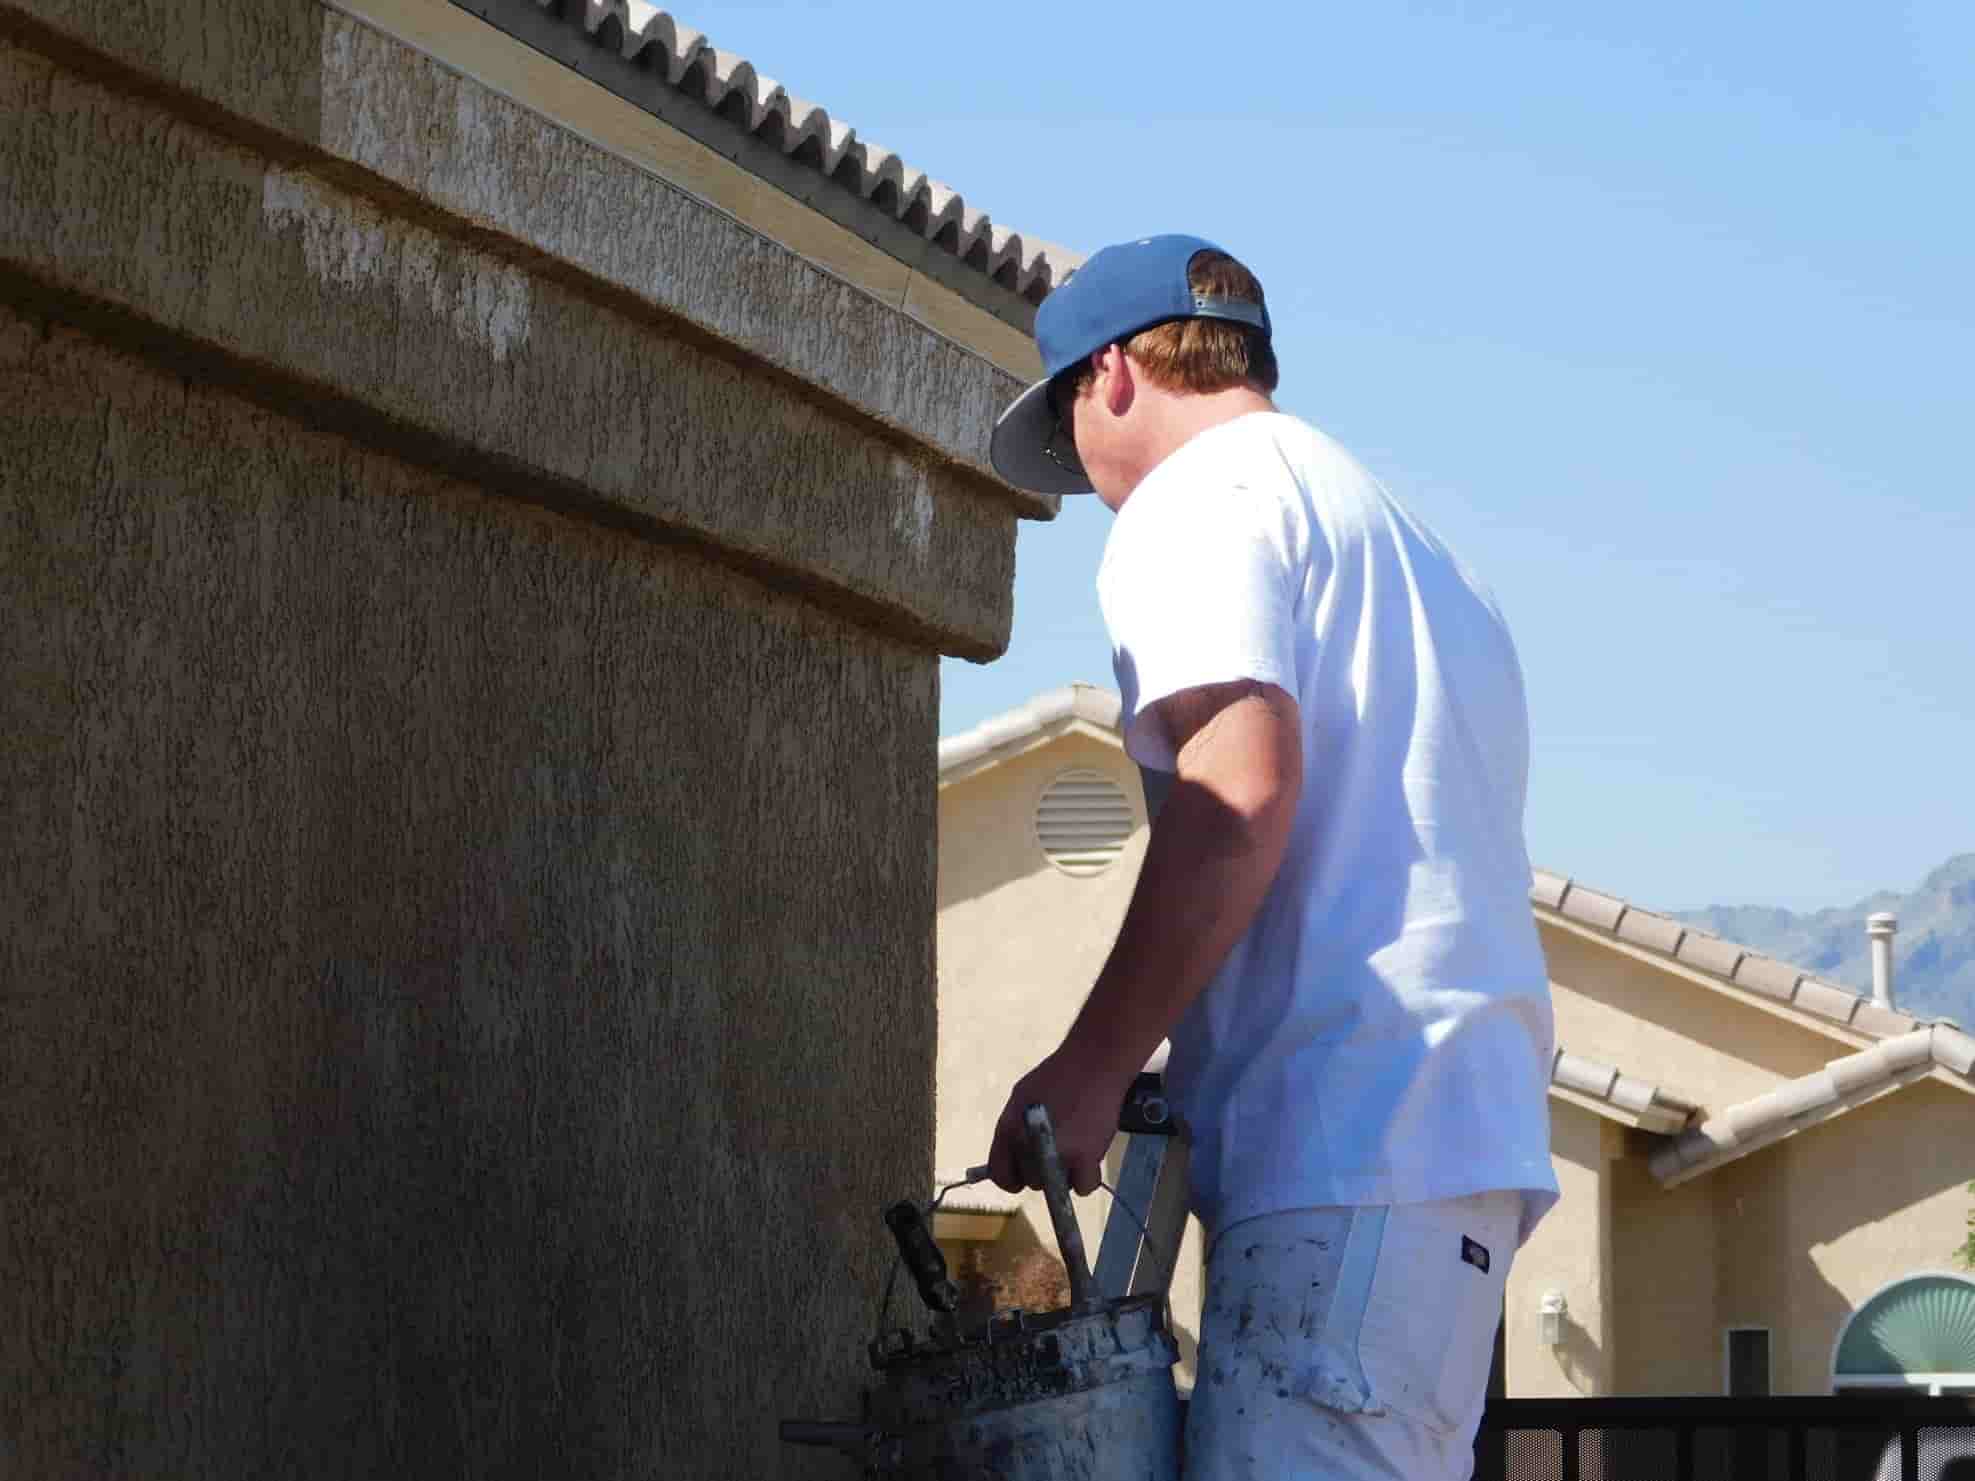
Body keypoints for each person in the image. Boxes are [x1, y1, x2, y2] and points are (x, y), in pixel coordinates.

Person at [981, 234, 1558, 1481]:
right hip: (1442, 1163)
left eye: (1073, 424)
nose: (1089, 477)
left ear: (1116, 374)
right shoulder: (1412, 547)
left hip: (1343, 1151)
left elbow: (1238, 784)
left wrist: (1090, 1067)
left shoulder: (1195, 500)